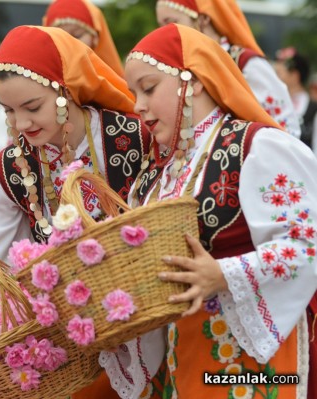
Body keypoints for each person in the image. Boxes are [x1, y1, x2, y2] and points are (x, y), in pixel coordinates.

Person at [100, 23, 317, 398]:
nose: (138, 105)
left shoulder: (257, 146)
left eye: (149, 88)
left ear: (195, 80)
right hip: (182, 355)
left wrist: (223, 273)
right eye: (134, 92)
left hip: (249, 358)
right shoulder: (159, 171)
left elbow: (307, 245)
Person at [0, 25, 150, 399]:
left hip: (144, 324)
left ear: (66, 90)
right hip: (66, 344)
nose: (22, 124)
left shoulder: (134, 138)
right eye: (9, 111)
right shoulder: (12, 168)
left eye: (32, 107)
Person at [155, 0, 302, 139]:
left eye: (171, 23)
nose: (165, 33)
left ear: (203, 19)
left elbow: (286, 128)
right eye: (161, 25)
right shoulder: (184, 69)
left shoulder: (245, 63)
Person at [43, 0, 124, 77]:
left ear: (95, 37)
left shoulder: (114, 85)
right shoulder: (41, 78)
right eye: (59, 37)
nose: (68, 42)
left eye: (77, 35)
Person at [274, 47, 317, 150]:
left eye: (279, 73)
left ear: (295, 75)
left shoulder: (314, 109)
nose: (274, 78)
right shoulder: (273, 105)